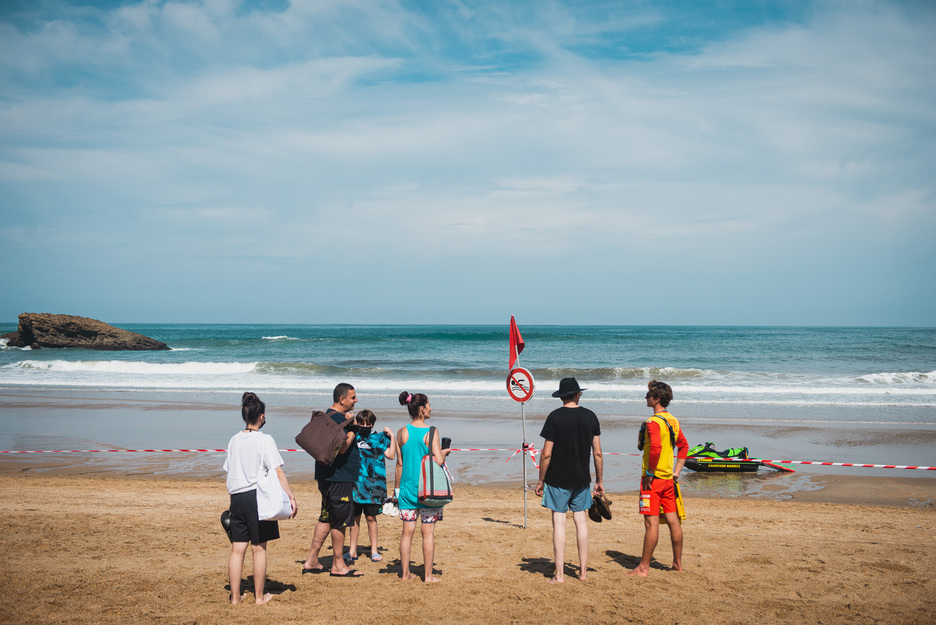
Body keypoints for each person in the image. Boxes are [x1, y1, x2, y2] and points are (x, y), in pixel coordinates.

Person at [224, 392, 297, 605]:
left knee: (238, 548)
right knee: (259, 548)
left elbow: (229, 470)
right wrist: (291, 496)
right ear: (262, 416)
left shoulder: (234, 439)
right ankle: (258, 597)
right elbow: (278, 472)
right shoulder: (265, 439)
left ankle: (236, 598)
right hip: (257, 497)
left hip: (236, 497)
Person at [534, 377, 604, 583]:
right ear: (577, 394)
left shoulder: (554, 417)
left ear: (561, 397)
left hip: (557, 479)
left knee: (559, 522)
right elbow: (597, 453)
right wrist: (599, 480)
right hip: (582, 478)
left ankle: (560, 575)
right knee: (581, 521)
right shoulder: (590, 416)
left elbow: (546, 454)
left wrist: (540, 480)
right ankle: (582, 573)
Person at [301, 383, 364, 577]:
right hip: (339, 478)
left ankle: (312, 560)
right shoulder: (339, 419)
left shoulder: (328, 416)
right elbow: (344, 447)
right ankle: (338, 565)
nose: (356, 400)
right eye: (353, 397)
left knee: (326, 517)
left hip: (325, 475)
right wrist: (353, 428)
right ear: (341, 399)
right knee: (340, 521)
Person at [627, 380, 689, 577]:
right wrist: (677, 470)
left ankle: (643, 567)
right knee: (673, 520)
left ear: (657, 399)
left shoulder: (653, 422)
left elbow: (655, 449)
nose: (645, 398)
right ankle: (677, 564)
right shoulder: (673, 420)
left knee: (651, 524)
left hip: (652, 481)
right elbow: (684, 446)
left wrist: (650, 473)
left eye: (648, 395)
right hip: (669, 480)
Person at [395, 391, 451, 582]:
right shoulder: (431, 432)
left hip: (407, 489)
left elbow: (399, 464)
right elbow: (438, 460)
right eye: (429, 405)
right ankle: (428, 576)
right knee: (428, 533)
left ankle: (405, 574)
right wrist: (444, 452)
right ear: (421, 408)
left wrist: (396, 491)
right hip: (427, 490)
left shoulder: (401, 432)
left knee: (406, 533)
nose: (431, 408)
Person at [346, 409, 396, 563]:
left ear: (373, 424)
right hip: (355, 485)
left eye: (368, 424)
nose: (365, 426)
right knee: (354, 519)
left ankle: (374, 550)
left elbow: (391, 455)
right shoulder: (354, 436)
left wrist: (392, 437)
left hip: (375, 487)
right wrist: (351, 425)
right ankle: (352, 550)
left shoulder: (381, 438)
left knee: (371, 518)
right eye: (362, 423)